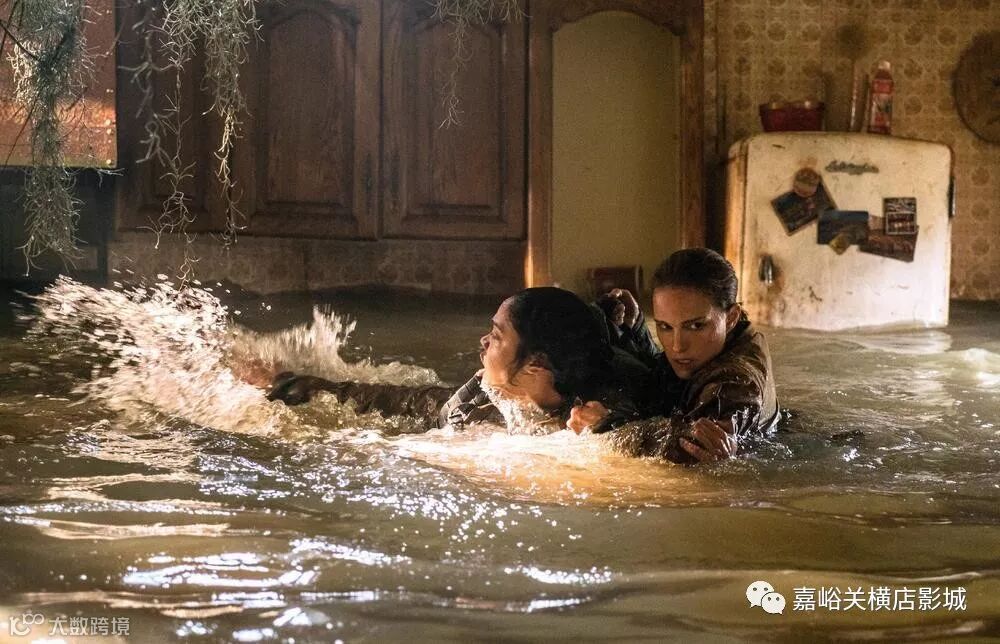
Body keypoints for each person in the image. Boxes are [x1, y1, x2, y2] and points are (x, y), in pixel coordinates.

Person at [266, 287, 649, 434]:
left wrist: (607, 428)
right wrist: (296, 385)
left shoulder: (597, 419)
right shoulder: (491, 401)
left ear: (536, 364)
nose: (484, 341)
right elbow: (404, 402)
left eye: (497, 336)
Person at [570, 248, 779, 464]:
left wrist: (608, 425)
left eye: (695, 326)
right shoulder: (734, 340)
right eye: (665, 326)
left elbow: (690, 448)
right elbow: (666, 384)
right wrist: (637, 330)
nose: (677, 346)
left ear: (731, 317)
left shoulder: (732, 385)